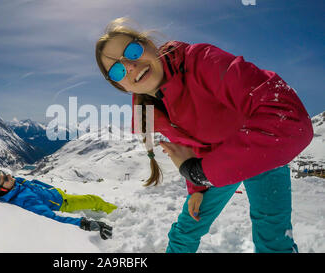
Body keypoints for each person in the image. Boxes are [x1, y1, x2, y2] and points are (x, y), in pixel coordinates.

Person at [95, 17, 313, 252]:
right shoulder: (154, 111)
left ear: (148, 43)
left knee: (274, 241)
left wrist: (198, 172)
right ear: (121, 87)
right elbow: (189, 146)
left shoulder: (200, 61)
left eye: (132, 51)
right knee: (185, 231)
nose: (130, 66)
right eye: (117, 71)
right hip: (214, 165)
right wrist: (196, 187)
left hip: (264, 152)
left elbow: (290, 121)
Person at [0, 165, 117, 240]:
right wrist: (84, 223)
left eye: (5, 173)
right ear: (2, 190)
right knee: (94, 200)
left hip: (56, 193)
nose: (9, 175)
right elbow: (52, 218)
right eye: (5, 178)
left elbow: (31, 183)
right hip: (64, 202)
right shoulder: (25, 200)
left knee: (92, 199)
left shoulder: (15, 184)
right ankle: (116, 212)